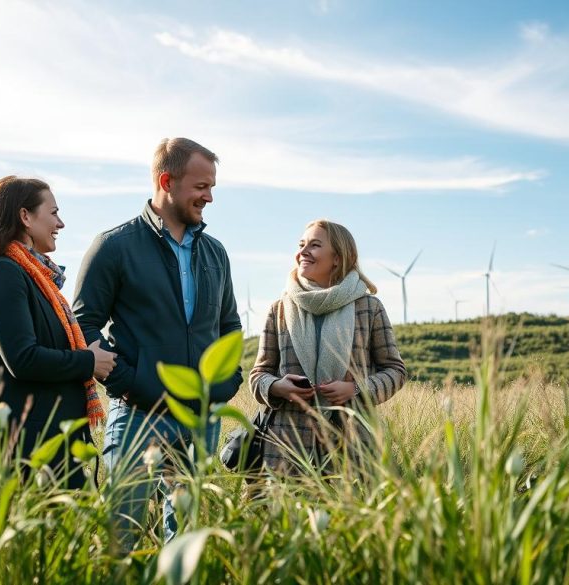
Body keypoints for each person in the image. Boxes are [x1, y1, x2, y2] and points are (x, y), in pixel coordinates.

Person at [72, 137, 242, 546]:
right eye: (202, 186)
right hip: (135, 415)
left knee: (188, 539)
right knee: (120, 537)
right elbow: (83, 325)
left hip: (200, 419)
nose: (210, 197)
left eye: (212, 186)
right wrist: (131, 382)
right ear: (167, 180)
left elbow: (230, 326)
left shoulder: (216, 253)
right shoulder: (113, 246)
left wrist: (224, 386)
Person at [0, 176, 117, 495]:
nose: (61, 223)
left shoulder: (32, 277)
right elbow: (23, 359)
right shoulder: (3, 274)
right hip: (16, 463)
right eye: (53, 212)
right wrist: (89, 362)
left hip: (43, 457)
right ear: (25, 216)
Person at [248, 219, 407, 475]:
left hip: (352, 448)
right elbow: (258, 375)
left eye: (315, 245)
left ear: (337, 258)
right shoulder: (279, 309)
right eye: (301, 245)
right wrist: (277, 387)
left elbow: (395, 371)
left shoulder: (369, 308)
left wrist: (356, 389)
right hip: (285, 449)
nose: (303, 252)